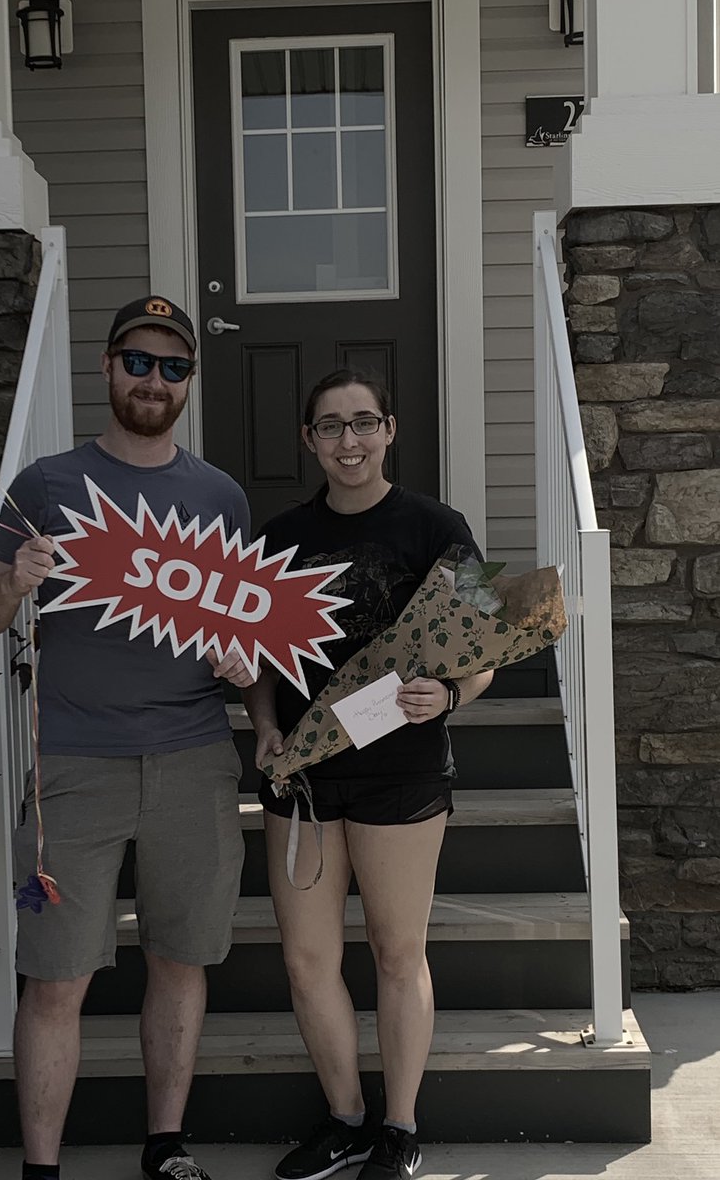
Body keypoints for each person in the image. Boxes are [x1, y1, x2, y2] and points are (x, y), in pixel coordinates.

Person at [0, 296, 255, 1180]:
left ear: (189, 382)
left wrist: (253, 686)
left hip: (196, 758)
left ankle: (165, 1147)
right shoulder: (47, 483)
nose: (153, 381)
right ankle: (41, 1169)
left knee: (180, 958)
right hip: (74, 768)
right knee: (55, 978)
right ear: (108, 367)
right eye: (138, 361)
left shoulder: (220, 497)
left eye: (172, 367)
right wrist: (12, 582)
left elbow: (243, 632)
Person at [243, 370, 494, 1180]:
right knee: (307, 961)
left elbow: (484, 650)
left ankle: (399, 1128)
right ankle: (345, 1119)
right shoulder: (279, 536)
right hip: (305, 777)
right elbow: (257, 662)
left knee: (396, 951)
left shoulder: (437, 527)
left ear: (390, 430)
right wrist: (267, 724)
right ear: (308, 441)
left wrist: (450, 691)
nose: (348, 441)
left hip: (401, 771)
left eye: (363, 423)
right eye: (329, 427)